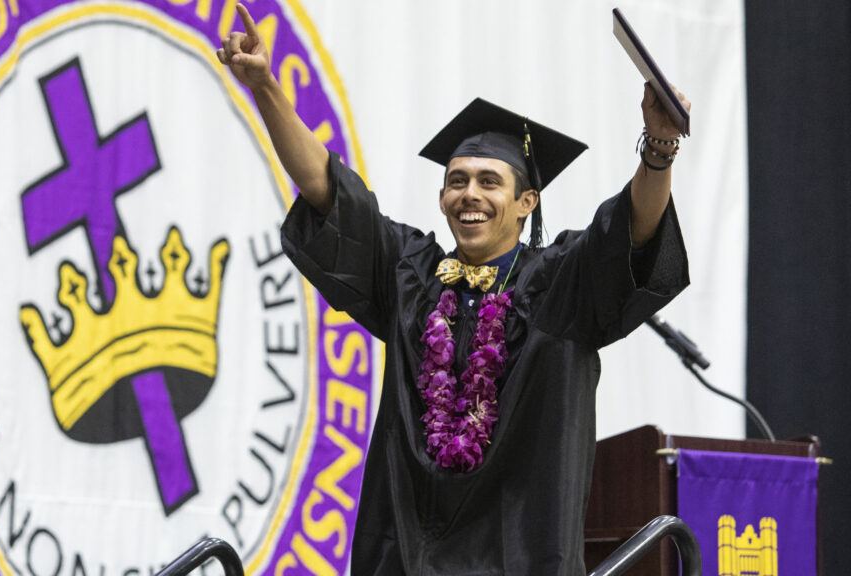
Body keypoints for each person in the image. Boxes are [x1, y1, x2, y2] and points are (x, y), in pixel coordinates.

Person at [218, 5, 691, 574]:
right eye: (456, 181)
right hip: (406, 560)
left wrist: (658, 150)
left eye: (490, 181)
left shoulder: (559, 285)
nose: (470, 194)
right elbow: (329, 192)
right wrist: (266, 86)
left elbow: (631, 234)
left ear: (526, 203)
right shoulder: (411, 278)